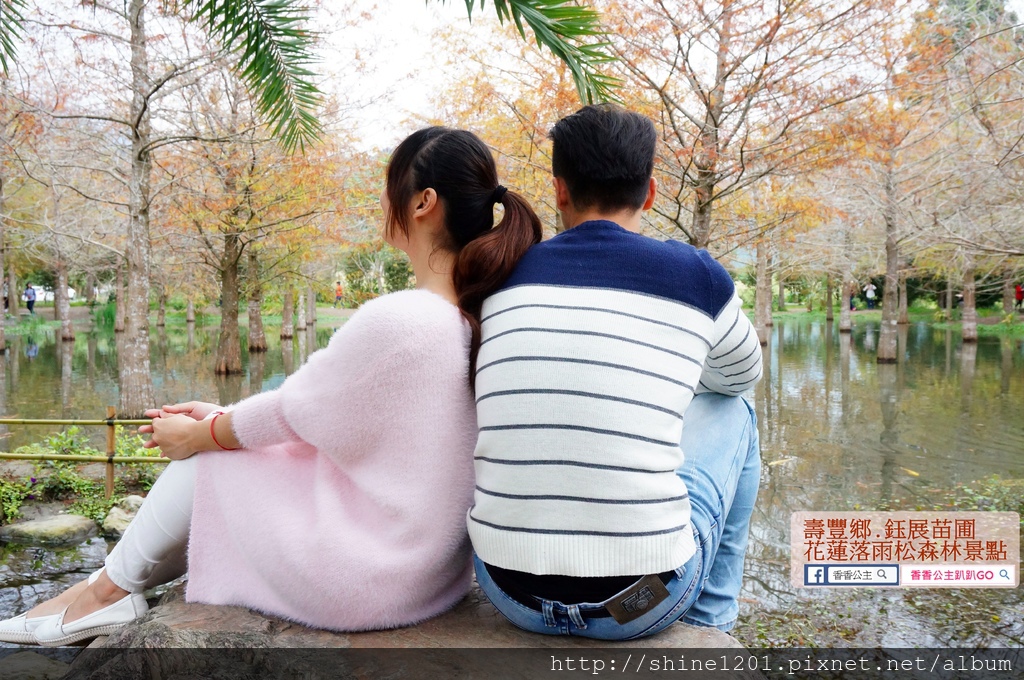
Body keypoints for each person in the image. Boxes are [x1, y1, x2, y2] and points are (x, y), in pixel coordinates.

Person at [0, 127, 542, 647]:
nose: (382, 201)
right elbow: (326, 416)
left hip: (366, 577)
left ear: (423, 202)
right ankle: (102, 588)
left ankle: (103, 594)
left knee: (208, 459)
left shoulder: (406, 319)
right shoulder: (476, 314)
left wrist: (201, 435)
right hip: (425, 577)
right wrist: (220, 417)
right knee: (220, 447)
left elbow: (295, 409)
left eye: (388, 185)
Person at [470, 104, 762, 640]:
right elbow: (741, 376)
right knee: (735, 410)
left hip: (510, 592)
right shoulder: (695, 275)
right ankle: (712, 627)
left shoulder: (500, 274)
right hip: (637, 604)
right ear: (649, 193)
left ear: (559, 190)